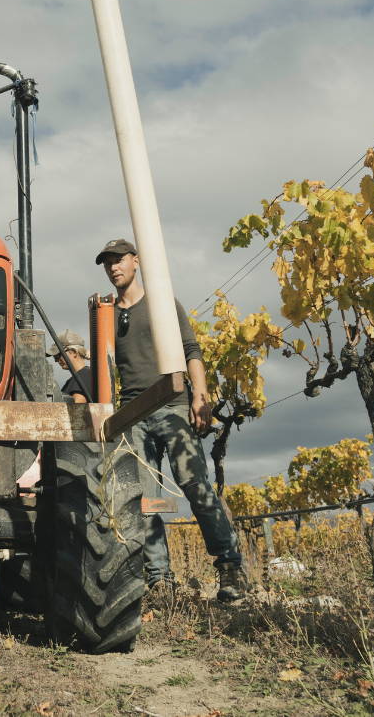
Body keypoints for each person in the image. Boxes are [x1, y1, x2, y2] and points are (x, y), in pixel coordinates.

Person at [95, 238, 246, 602]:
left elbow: (191, 350)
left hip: (173, 405)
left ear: (136, 261)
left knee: (194, 484)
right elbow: (102, 367)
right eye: (107, 263)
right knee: (147, 500)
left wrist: (200, 395)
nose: (113, 267)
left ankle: (229, 568)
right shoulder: (107, 314)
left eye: (119, 260)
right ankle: (159, 577)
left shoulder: (163, 304)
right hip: (134, 414)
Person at [51, 329, 94, 403]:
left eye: (58, 355)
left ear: (73, 352)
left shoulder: (84, 375)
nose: (56, 361)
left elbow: (75, 408)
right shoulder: (74, 379)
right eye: (55, 357)